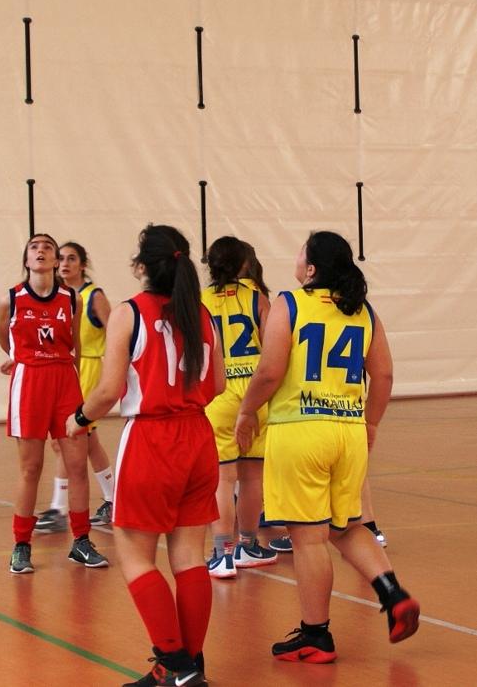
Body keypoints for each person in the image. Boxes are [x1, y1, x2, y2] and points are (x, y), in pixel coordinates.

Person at [235, 231, 419, 663]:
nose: (297, 256)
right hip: (348, 432)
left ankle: (316, 635)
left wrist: (246, 410)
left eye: (302, 251)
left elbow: (269, 371)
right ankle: (393, 594)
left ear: (311, 268)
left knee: (308, 539)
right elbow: (384, 375)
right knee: (347, 527)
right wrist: (371, 423)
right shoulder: (363, 310)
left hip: (301, 431)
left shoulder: (290, 303)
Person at [66, 224, 225, 687]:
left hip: (152, 438)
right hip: (198, 438)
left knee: (136, 556)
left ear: (141, 266)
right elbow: (217, 385)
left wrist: (77, 418)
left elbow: (109, 390)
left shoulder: (129, 312)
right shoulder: (201, 314)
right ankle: (189, 666)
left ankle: (175, 665)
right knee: (189, 556)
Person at [0, 233, 108, 574]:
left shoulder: (71, 298)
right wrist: (20, 357)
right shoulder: (10, 299)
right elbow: (5, 339)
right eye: (34, 247)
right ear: (26, 260)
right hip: (29, 383)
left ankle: (81, 541)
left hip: (64, 381)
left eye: (48, 247)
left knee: (77, 466)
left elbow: (75, 345)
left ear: (56, 260)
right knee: (31, 468)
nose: (41, 251)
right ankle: (21, 545)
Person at [201, 236, 277, 577]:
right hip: (255, 392)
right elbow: (275, 348)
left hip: (219, 391)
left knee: (223, 477)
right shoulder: (257, 298)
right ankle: (248, 544)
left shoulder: (200, 301)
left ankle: (223, 553)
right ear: (244, 263)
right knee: (252, 476)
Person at [36, 241, 114, 532]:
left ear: (83, 264)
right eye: (62, 258)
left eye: (72, 258)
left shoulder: (93, 296)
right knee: (86, 442)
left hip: (89, 370)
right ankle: (113, 499)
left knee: (66, 438)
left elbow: (117, 332)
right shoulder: (58, 297)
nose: (65, 263)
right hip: (65, 371)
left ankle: (59, 508)